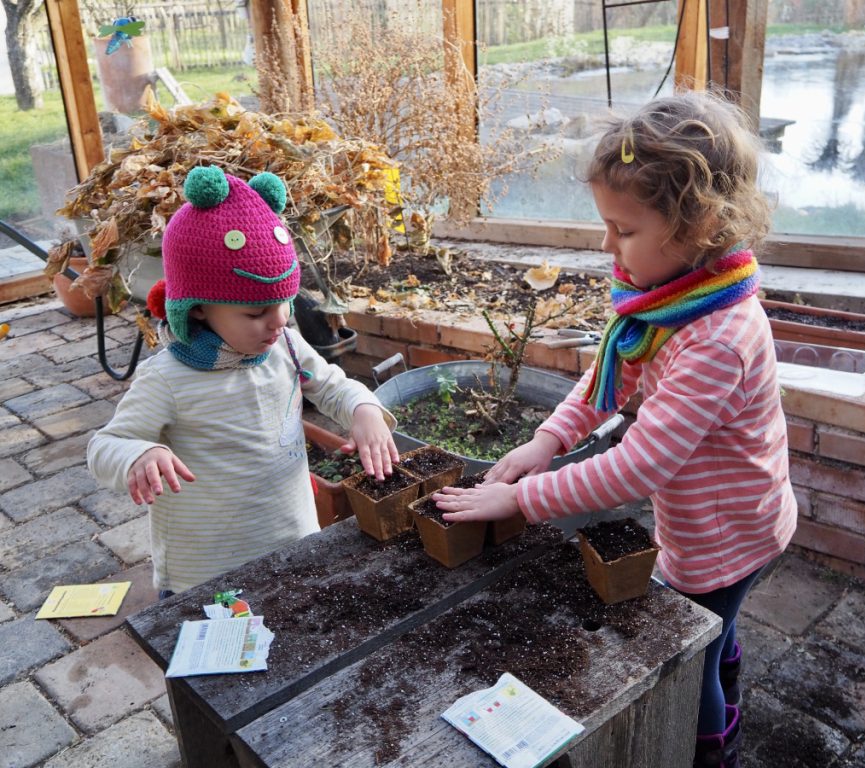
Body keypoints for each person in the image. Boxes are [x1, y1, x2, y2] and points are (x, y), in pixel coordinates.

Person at [434, 90, 797, 768]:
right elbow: (611, 375)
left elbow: (639, 466)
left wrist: (522, 499)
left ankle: (708, 748)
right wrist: (546, 442)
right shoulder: (672, 299)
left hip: (726, 533)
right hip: (725, 516)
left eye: (624, 230)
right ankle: (728, 671)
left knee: (697, 645)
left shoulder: (716, 334)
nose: (608, 245)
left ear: (702, 224)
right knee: (719, 629)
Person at [88, 165, 399, 596]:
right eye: (254, 313)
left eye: (283, 303)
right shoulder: (168, 378)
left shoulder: (286, 347)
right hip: (206, 568)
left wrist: (363, 409)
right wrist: (139, 455)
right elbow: (105, 446)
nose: (277, 322)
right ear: (197, 309)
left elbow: (330, 384)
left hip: (292, 541)